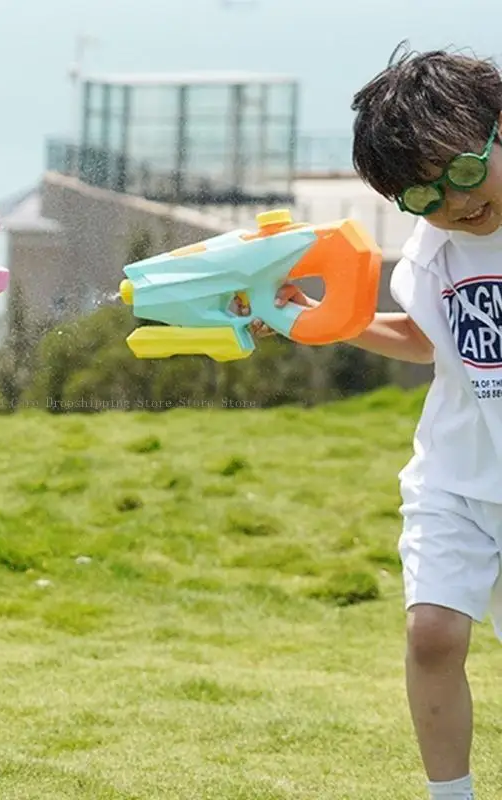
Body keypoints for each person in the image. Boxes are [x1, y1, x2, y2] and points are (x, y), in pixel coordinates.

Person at [245, 46, 502, 800]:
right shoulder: (433, 247)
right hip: (455, 474)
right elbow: (429, 342)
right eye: (423, 195)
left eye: (462, 171)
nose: (455, 203)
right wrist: (310, 320)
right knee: (432, 634)